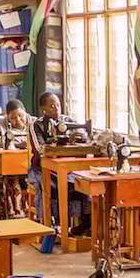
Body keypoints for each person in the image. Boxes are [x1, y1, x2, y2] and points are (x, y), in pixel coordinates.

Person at [27, 92, 90, 236]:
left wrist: (78, 139)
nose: (56, 108)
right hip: (42, 168)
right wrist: (62, 142)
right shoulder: (36, 125)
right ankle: (52, 223)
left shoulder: (68, 121)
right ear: (43, 108)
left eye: (58, 105)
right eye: (52, 106)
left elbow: (84, 138)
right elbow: (39, 150)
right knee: (50, 187)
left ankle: (85, 222)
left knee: (81, 184)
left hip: (67, 168)